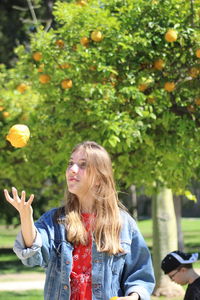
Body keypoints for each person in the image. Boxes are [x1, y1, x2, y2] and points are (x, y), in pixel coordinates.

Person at [4, 141, 155, 300]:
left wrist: (133, 296)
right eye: (71, 163)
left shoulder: (123, 224)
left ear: (99, 177)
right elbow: (33, 256)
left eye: (83, 165)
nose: (72, 169)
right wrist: (26, 217)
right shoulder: (55, 220)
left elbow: (140, 273)